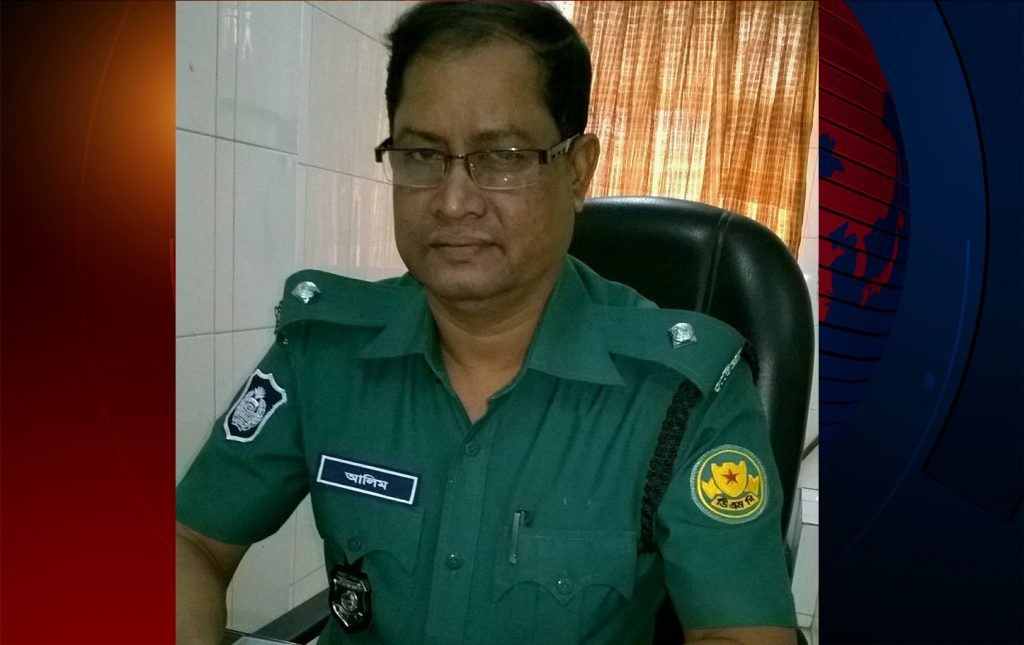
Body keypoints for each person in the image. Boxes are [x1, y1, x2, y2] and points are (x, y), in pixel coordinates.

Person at [176, 2, 797, 644]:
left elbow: (744, 635)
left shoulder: (682, 394)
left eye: (502, 156)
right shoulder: (323, 352)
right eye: (422, 154)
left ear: (577, 170)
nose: (452, 203)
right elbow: (189, 541)